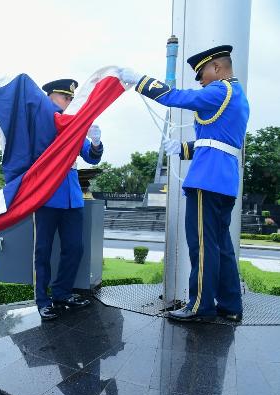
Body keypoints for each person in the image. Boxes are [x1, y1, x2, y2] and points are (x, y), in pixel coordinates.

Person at [119, 45, 249, 322]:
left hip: (207, 179)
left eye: (202, 74)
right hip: (224, 179)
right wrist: (181, 148)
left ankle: (200, 306)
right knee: (221, 245)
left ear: (217, 67)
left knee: (202, 246)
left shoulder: (220, 90)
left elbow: (176, 97)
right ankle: (230, 304)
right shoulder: (237, 94)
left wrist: (140, 81)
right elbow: (217, 139)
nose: (200, 80)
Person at [34, 79, 104, 321]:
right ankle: (42, 300)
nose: (69, 102)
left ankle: (62, 293)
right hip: (46, 195)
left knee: (75, 248)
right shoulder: (40, 125)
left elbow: (91, 157)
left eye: (72, 99)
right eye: (65, 97)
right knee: (42, 252)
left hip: (72, 197)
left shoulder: (73, 125)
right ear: (49, 97)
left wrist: (96, 142)